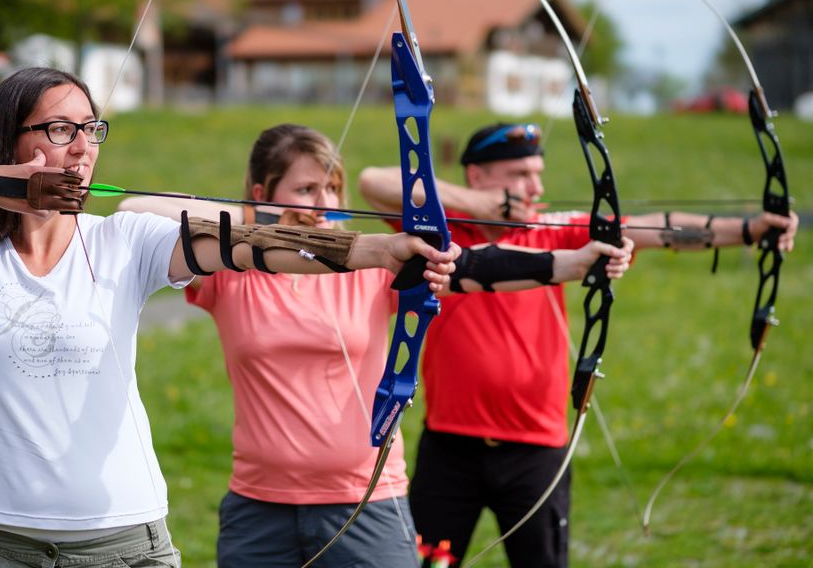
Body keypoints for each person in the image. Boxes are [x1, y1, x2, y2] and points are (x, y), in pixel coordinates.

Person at [0, 69, 461, 568]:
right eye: (61, 129)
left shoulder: (125, 240)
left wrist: (376, 250)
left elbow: (249, 246)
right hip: (3, 546)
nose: (83, 148)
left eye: (92, 129)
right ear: (10, 139)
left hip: (126, 544)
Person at [118, 123, 633, 567]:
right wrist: (259, 225)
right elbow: (136, 208)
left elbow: (472, 266)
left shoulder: (372, 263)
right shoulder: (232, 272)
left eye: (332, 189)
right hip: (259, 507)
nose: (325, 204)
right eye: (306, 190)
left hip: (367, 502)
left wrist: (573, 264)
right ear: (262, 193)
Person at [358, 121, 799, 568]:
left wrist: (750, 230)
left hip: (535, 449)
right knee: (427, 563)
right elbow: (372, 182)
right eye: (520, 174)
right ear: (478, 175)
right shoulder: (440, 234)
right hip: (450, 445)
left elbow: (657, 228)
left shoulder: (554, 228)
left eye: (538, 173)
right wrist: (477, 205)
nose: (536, 186)